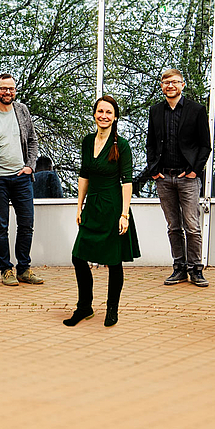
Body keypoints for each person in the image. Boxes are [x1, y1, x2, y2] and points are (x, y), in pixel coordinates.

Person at [64, 95, 141, 328]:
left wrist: (124, 214)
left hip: (113, 207)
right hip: (93, 206)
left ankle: (112, 310)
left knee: (113, 261)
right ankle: (84, 307)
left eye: (109, 112)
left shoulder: (122, 144)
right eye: (100, 111)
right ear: (94, 114)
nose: (104, 116)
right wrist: (79, 206)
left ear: (115, 116)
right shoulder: (88, 141)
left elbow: (127, 181)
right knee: (78, 257)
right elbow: (84, 175)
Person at [142, 68, 211, 287]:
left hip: (188, 178)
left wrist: (195, 171)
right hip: (164, 178)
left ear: (183, 84)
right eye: (165, 82)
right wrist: (153, 170)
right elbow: (151, 143)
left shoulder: (197, 110)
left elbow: (205, 145)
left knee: (192, 226)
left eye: (174, 82)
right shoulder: (155, 111)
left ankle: (196, 269)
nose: (170, 85)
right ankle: (179, 267)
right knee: (173, 226)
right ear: (161, 86)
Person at [0, 73, 43, 286]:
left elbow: (32, 141)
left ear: (15, 90)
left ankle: (24, 268)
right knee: (0, 226)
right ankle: (6, 269)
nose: (7, 92)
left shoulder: (22, 111)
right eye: (3, 88)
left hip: (21, 178)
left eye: (11, 88)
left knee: (26, 224)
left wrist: (30, 166)